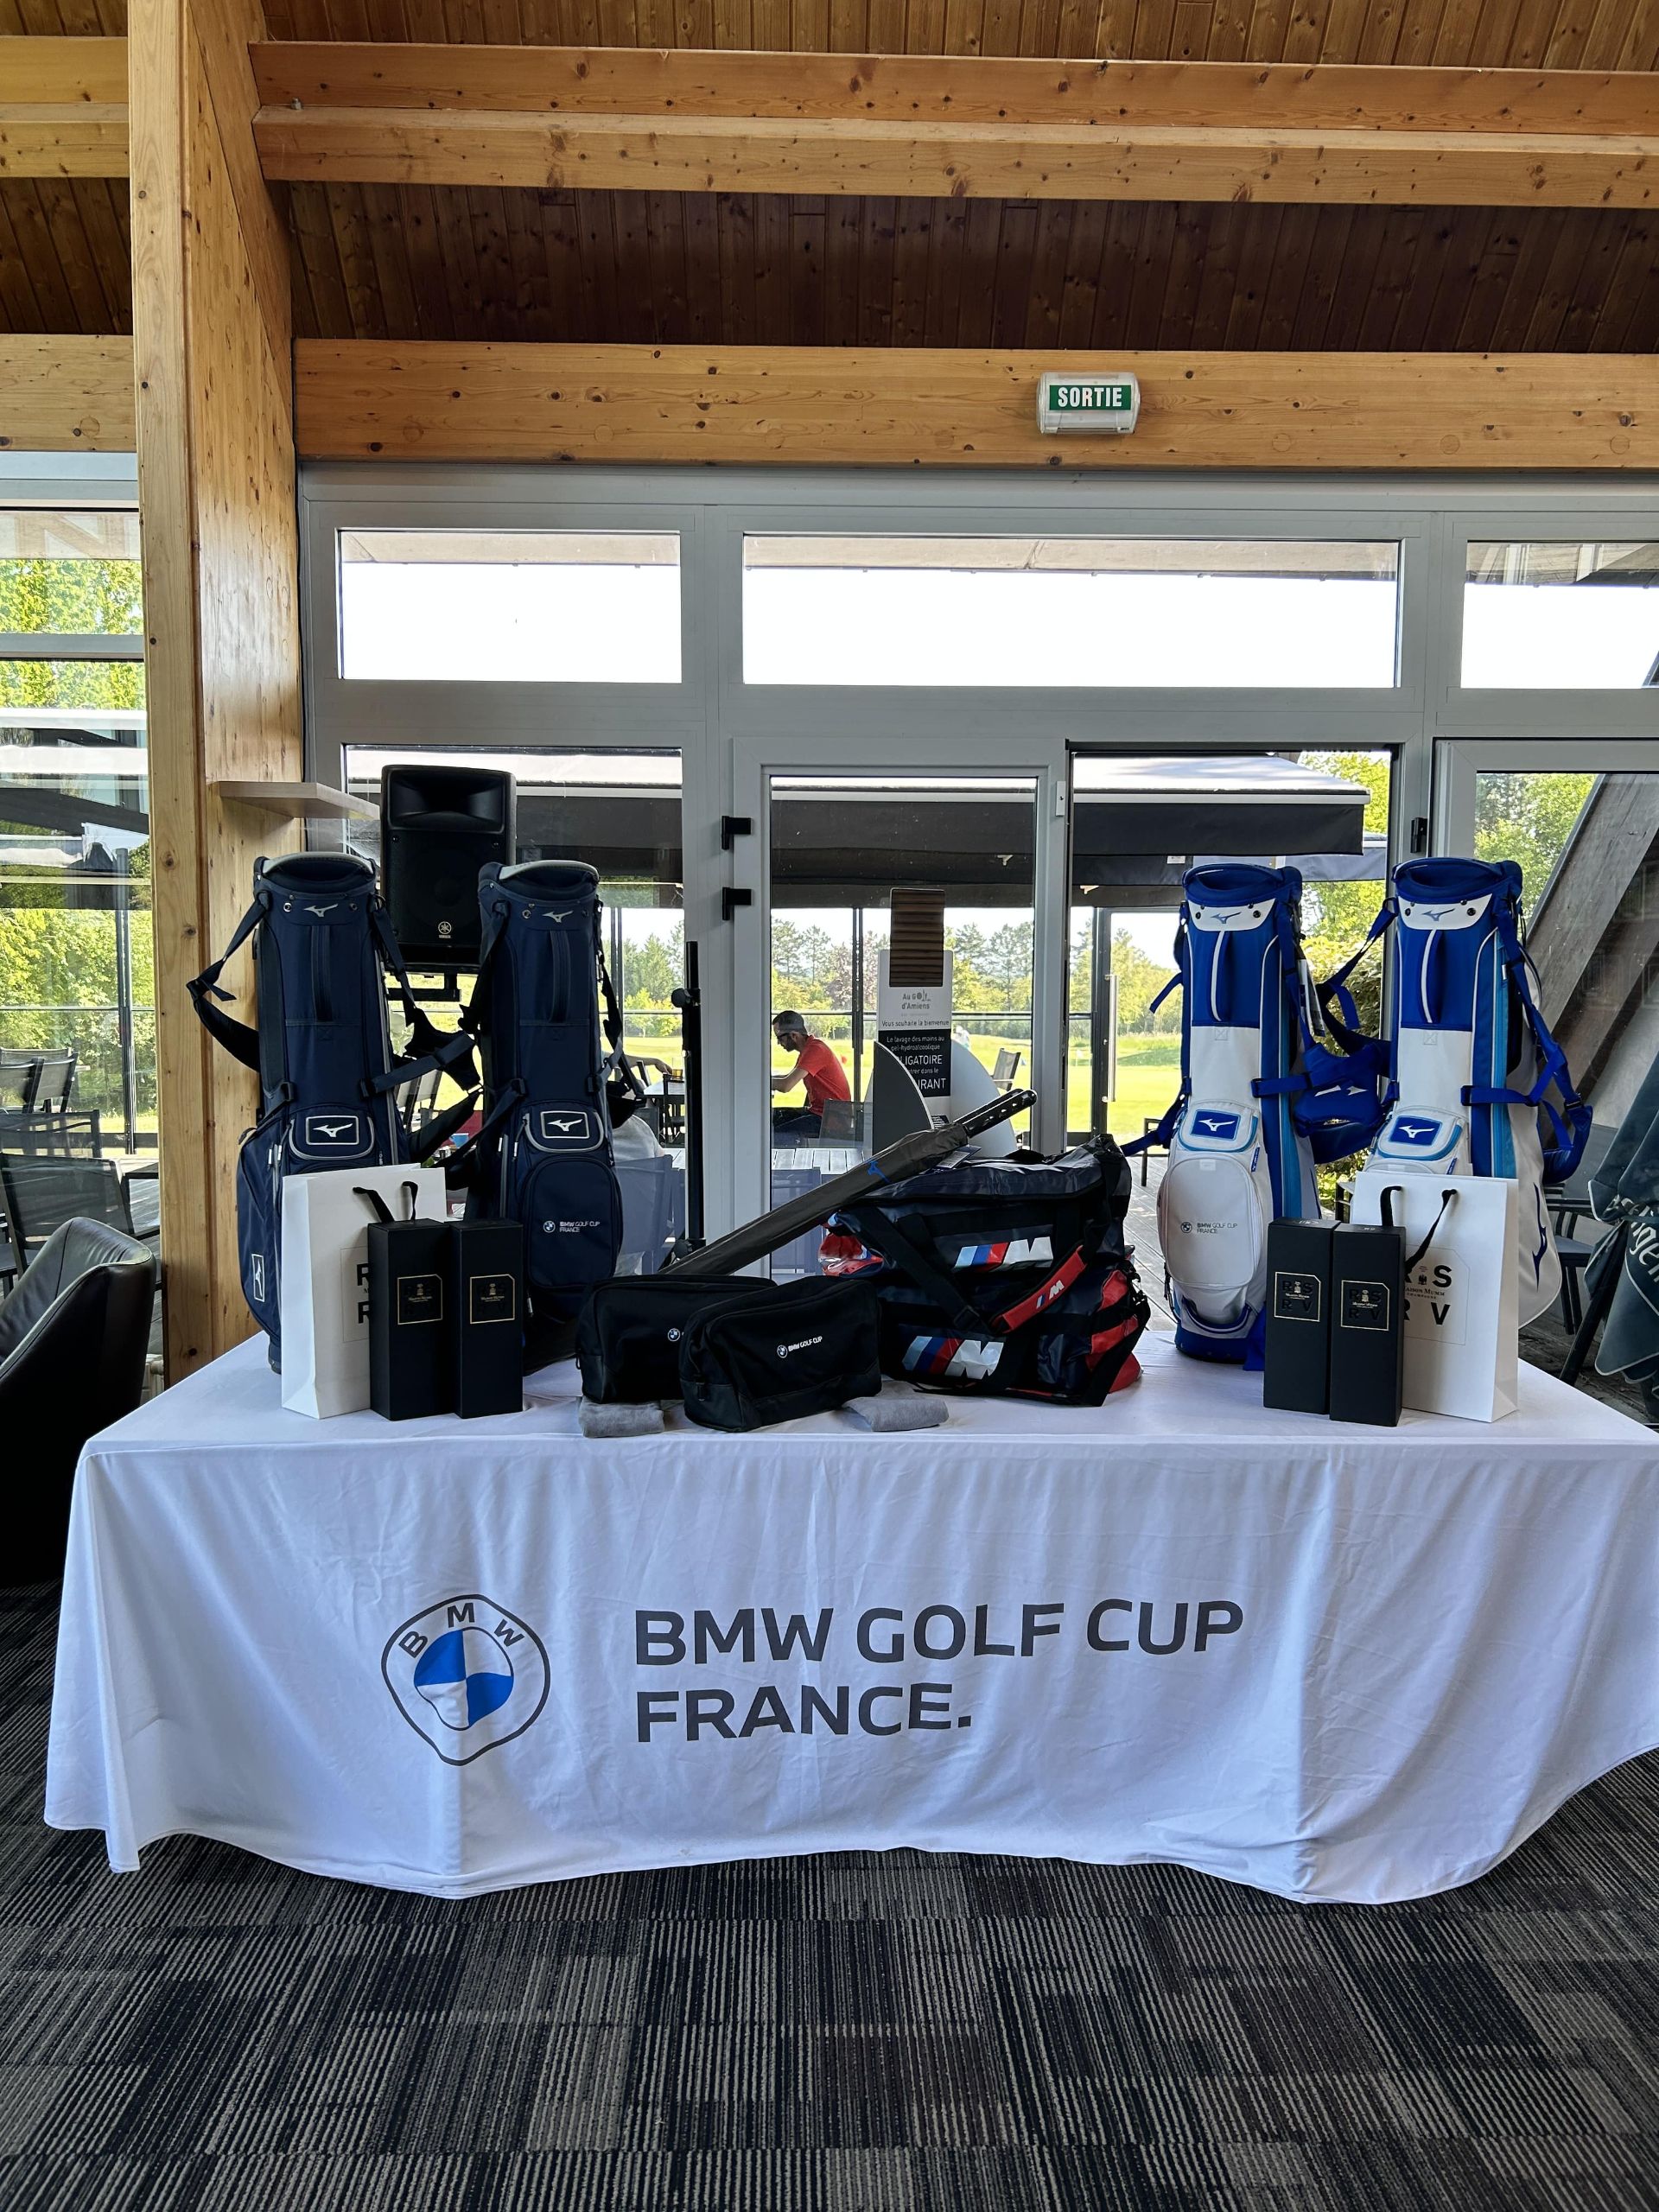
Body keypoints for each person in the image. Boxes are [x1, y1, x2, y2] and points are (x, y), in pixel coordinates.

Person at [770, 1010, 850, 1138]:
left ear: (793, 1035)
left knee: (774, 1135)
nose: (779, 1043)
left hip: (831, 1122)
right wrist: (765, 1078)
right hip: (820, 1113)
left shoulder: (815, 1050)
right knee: (772, 1118)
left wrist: (760, 1083)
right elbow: (788, 1077)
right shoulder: (808, 1048)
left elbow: (786, 1085)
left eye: (780, 1038)